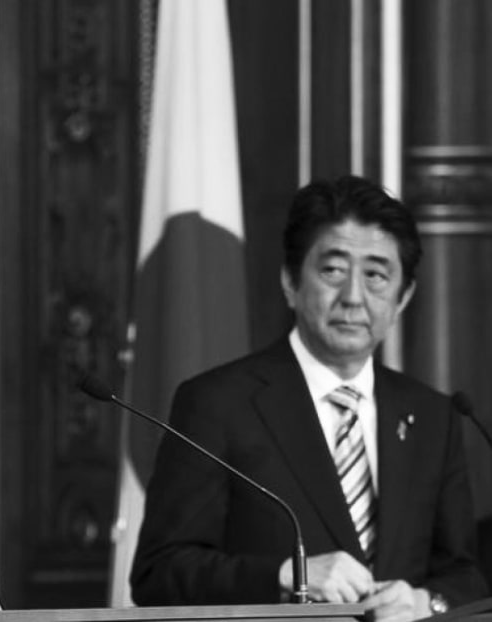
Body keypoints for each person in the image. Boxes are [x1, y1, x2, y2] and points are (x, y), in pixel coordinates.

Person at [130, 175, 488, 620]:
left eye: (376, 276)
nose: (353, 297)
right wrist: (287, 576)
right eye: (333, 270)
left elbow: (464, 576)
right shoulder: (217, 404)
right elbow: (158, 574)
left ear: (403, 298)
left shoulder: (434, 416)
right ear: (290, 282)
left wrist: (424, 602)